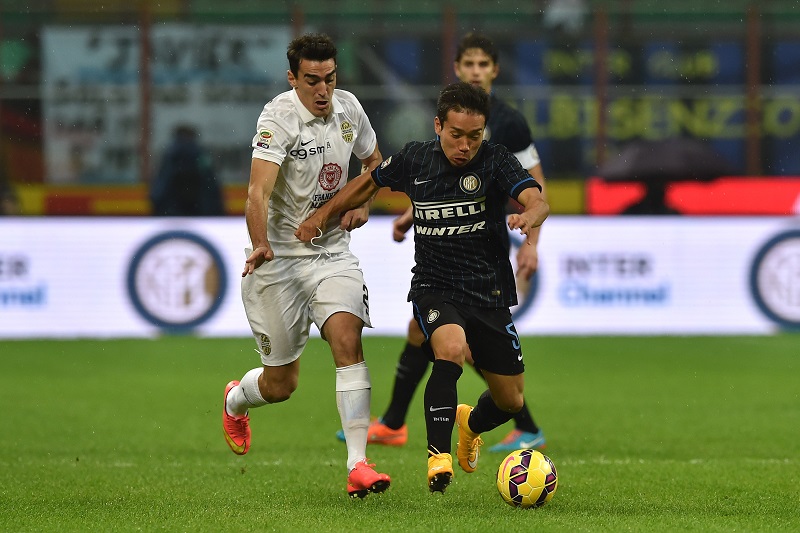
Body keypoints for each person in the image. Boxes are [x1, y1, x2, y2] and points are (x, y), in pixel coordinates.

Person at [296, 81, 549, 493]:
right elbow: (369, 181)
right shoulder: (415, 158)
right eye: (456, 135)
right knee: (449, 349)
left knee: (510, 400)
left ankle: (470, 423)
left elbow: (537, 198)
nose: (465, 146)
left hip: (488, 291)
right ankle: (438, 457)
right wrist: (322, 216)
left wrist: (530, 215)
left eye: (474, 136)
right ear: (438, 126)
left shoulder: (496, 160)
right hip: (435, 285)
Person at [336, 32, 549, 453]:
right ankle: (397, 422)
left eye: (483, 64)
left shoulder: (509, 123)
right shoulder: (452, 113)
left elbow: (535, 187)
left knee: (456, 343)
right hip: (444, 249)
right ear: (457, 68)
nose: (475, 71)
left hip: (482, 249)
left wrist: (532, 243)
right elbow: (439, 183)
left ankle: (520, 421)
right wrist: (413, 212)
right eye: (468, 64)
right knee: (429, 332)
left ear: (495, 70)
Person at [221, 33, 391, 499]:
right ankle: (236, 400)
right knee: (281, 384)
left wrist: (365, 203)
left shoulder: (349, 109)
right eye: (312, 80)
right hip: (279, 259)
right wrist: (260, 243)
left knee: (347, 338)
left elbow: (374, 163)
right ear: (292, 78)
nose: (323, 90)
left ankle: (358, 465)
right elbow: (256, 192)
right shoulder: (278, 118)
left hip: (332, 252)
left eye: (330, 78)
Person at [149, 124, 225, 216]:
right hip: (200, 209)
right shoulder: (200, 154)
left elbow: (162, 183)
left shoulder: (170, 154)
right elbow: (210, 182)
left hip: (171, 209)